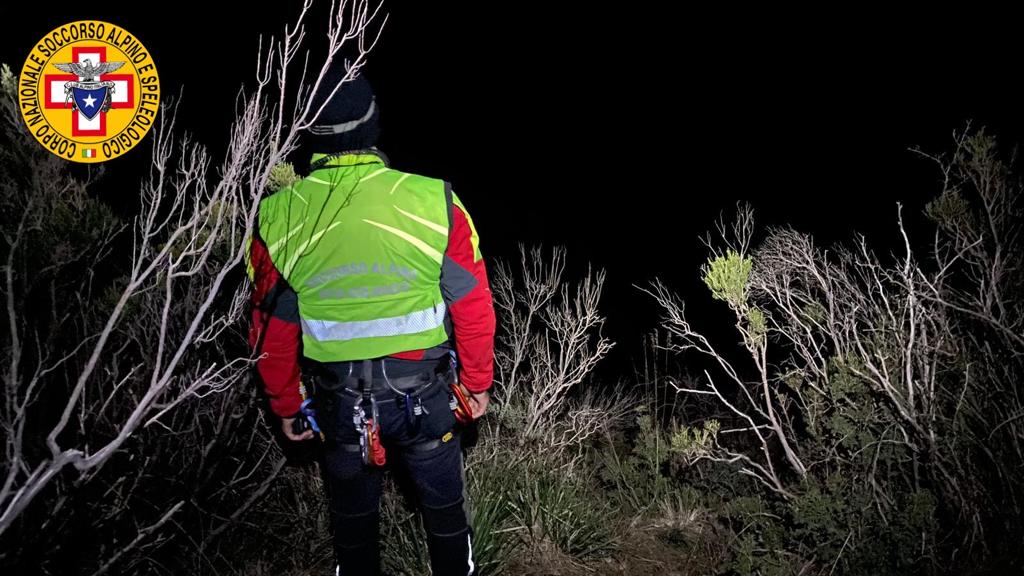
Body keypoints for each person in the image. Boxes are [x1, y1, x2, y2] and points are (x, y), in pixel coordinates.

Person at [246, 61, 496, 576]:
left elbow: (273, 328)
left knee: (353, 530)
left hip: (338, 406)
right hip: (424, 398)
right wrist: (476, 383)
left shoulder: (276, 216)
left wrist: (286, 403)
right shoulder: (435, 200)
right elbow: (472, 304)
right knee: (446, 518)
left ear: (310, 133)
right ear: (374, 125)